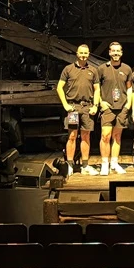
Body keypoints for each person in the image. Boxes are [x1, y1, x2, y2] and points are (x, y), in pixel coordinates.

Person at [56, 44, 100, 175]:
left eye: (86, 53)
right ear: (77, 53)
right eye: (81, 53)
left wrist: (95, 105)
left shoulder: (93, 70)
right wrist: (65, 104)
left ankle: (85, 165)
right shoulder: (68, 69)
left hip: (87, 107)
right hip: (73, 108)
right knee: (72, 136)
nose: (83, 55)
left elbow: (97, 89)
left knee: (86, 136)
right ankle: (69, 165)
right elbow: (59, 87)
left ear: (89, 54)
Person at [97, 42, 134, 175]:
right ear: (109, 52)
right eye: (113, 51)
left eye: (118, 51)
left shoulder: (127, 69)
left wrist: (128, 104)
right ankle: (104, 164)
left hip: (122, 107)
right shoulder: (102, 68)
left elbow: (129, 88)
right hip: (107, 107)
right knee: (105, 136)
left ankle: (114, 163)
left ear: (121, 53)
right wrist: (101, 102)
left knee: (117, 136)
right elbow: (96, 88)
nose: (116, 53)